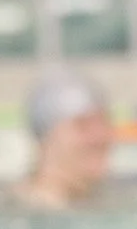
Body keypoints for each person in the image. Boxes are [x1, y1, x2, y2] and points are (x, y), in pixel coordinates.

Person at [11, 72, 115, 209]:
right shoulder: (16, 215)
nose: (100, 136)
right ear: (46, 140)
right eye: (83, 125)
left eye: (103, 122)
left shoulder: (115, 202)